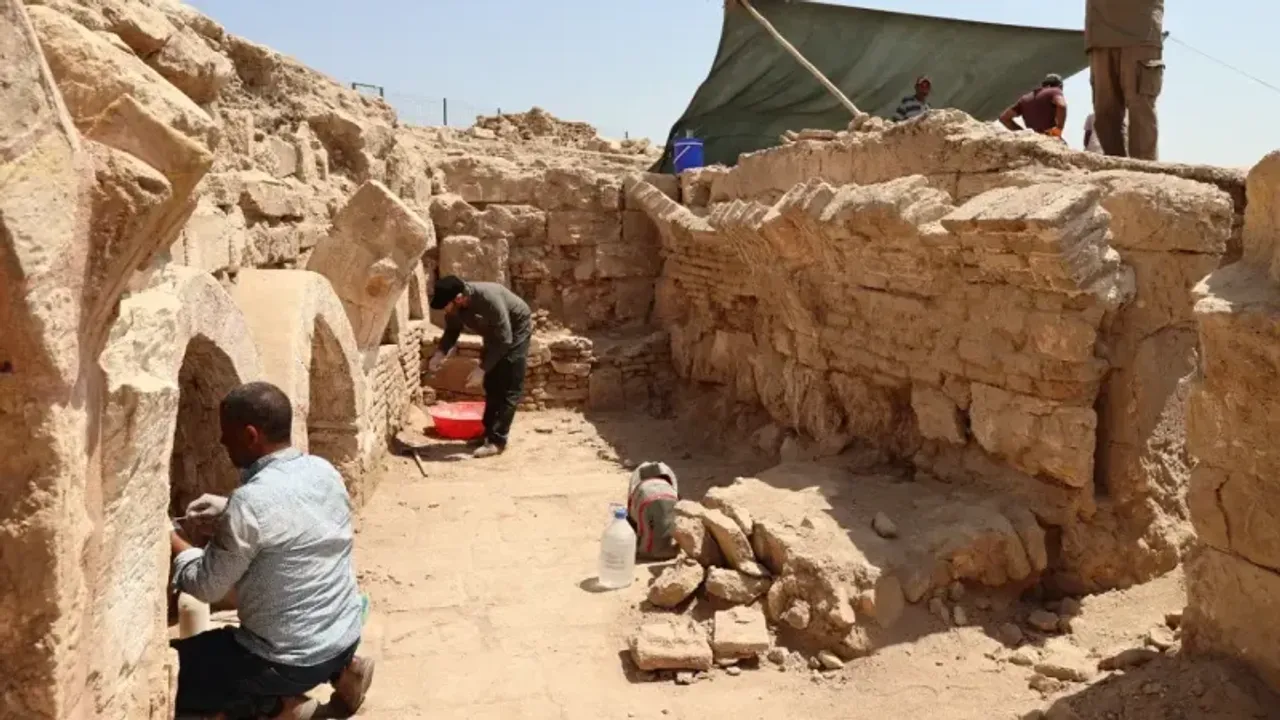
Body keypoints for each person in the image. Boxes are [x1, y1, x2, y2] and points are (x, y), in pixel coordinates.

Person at [170, 382, 374, 720]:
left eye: (227, 433)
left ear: (251, 435)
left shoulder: (250, 503)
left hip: (290, 661)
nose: (222, 441)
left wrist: (175, 539)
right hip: (345, 634)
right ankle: (344, 670)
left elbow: (206, 587)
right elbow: (292, 518)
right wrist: (227, 510)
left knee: (184, 667)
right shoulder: (322, 470)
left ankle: (282, 707)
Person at [427, 275, 532, 459]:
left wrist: (481, 369)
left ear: (459, 298)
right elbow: (452, 330)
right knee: (492, 383)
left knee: (509, 385)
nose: (445, 309)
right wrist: (440, 353)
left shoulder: (489, 299)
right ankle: (487, 434)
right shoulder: (456, 306)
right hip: (494, 333)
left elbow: (505, 339)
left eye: (446, 305)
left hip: (515, 331)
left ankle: (497, 441)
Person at [1085, 0, 1165, 160]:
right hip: (1100, 35)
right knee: (1105, 113)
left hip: (1140, 33)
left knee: (1140, 110)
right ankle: (1117, 169)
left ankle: (1145, 170)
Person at [999, 74, 1068, 137]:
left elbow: (1004, 118)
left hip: (1033, 138)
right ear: (1060, 85)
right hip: (1049, 136)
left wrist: (1023, 134)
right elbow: (1062, 105)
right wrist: (1059, 128)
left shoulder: (1025, 97)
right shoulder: (1055, 90)